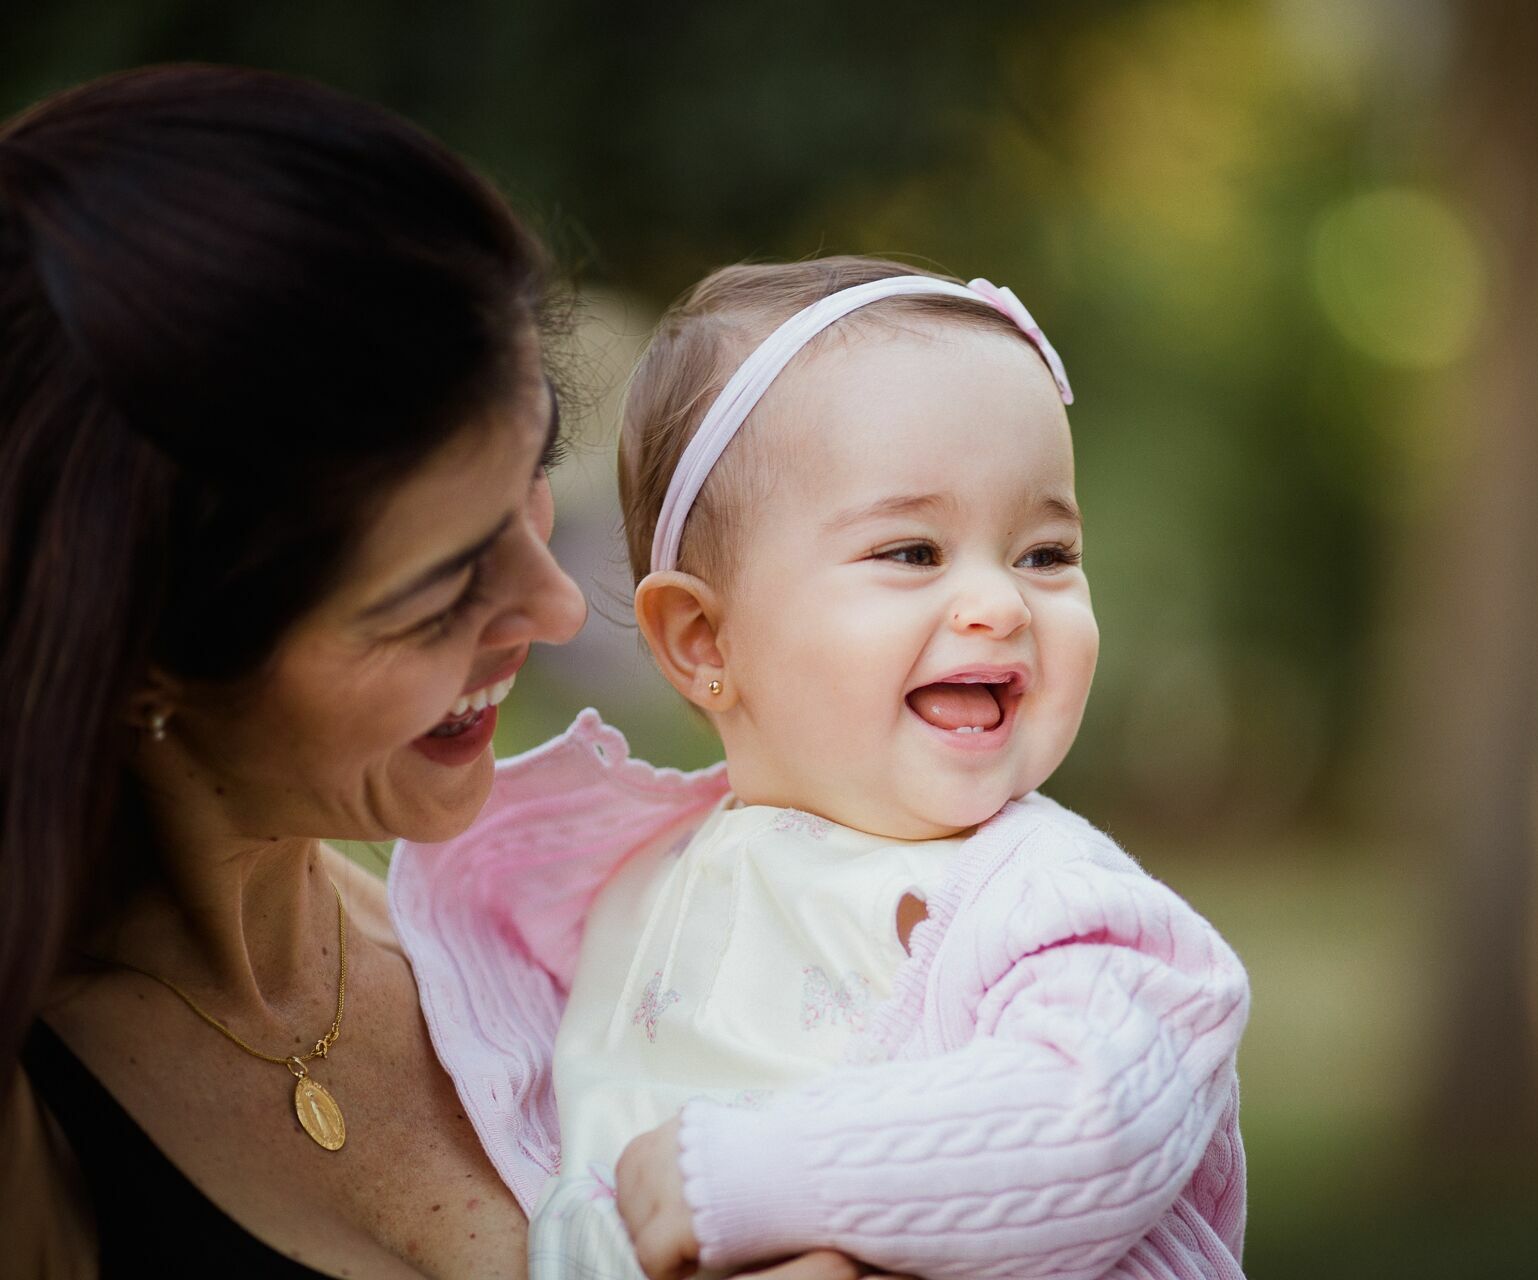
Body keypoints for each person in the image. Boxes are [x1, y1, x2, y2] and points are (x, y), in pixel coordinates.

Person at [0, 66, 882, 1280]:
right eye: (438, 591)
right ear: (148, 653)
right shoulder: (36, 1148)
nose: (559, 602)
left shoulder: (559, 927)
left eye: (536, 473)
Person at [392, 256, 1251, 1279]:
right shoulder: (634, 889)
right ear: (706, 641)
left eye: (1046, 552)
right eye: (913, 552)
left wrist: (754, 1174)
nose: (1003, 603)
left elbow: (1104, 1119)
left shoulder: (1047, 899)